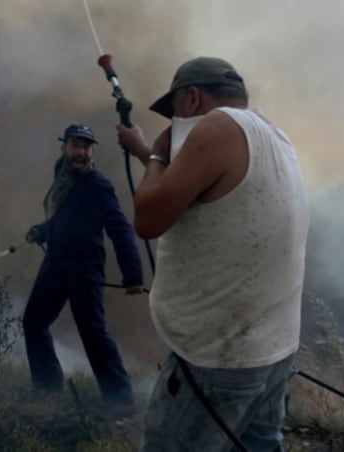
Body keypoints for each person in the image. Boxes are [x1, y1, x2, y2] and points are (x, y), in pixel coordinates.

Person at [116, 57, 310, 450]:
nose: (174, 126)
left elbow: (148, 220)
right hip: (272, 352)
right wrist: (143, 151)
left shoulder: (216, 127)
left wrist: (155, 154)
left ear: (190, 98)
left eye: (174, 114)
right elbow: (196, 185)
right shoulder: (273, 135)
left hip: (217, 361)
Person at [22, 123, 145, 409]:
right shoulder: (63, 176)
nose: (80, 152)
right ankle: (47, 390)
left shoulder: (98, 185)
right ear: (63, 147)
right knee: (33, 323)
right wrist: (41, 231)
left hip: (84, 268)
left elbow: (121, 230)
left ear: (92, 151)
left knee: (93, 333)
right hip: (55, 262)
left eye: (85, 147)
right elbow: (66, 219)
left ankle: (120, 403)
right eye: (75, 145)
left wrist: (133, 276)